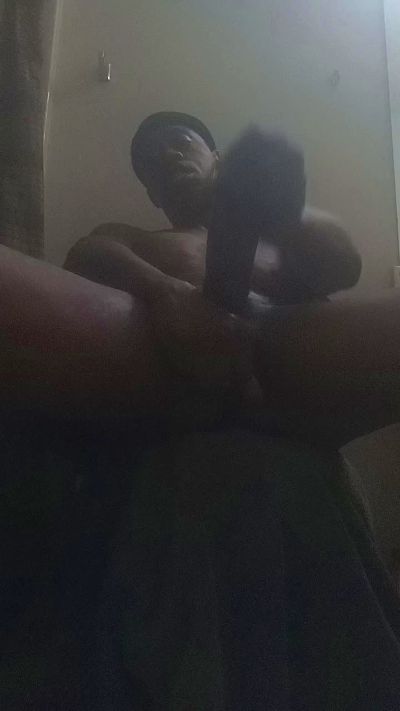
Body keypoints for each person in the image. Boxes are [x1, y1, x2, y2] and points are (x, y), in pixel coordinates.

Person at [64, 112, 361, 306]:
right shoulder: (133, 239)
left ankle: (229, 257)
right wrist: (165, 291)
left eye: (182, 142)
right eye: (152, 159)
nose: (169, 155)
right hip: (203, 348)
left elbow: (345, 267)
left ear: (217, 159)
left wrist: (288, 218)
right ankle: (226, 275)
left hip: (304, 348)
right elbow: (85, 255)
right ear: (152, 195)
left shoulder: (277, 236)